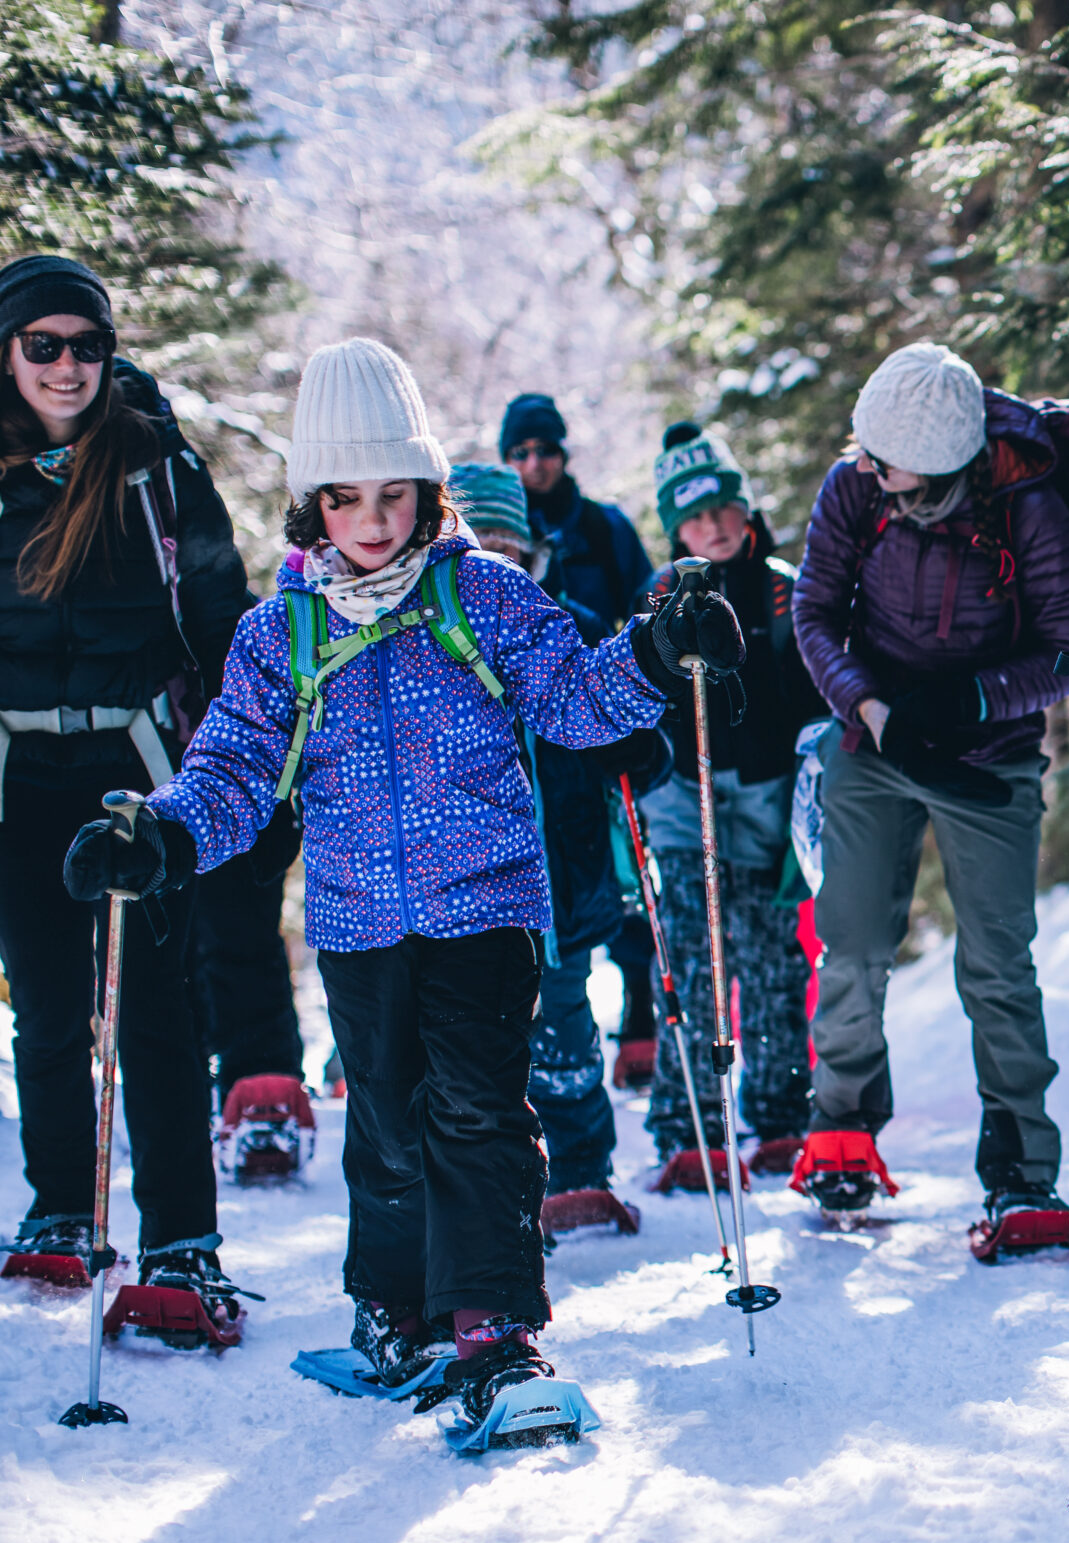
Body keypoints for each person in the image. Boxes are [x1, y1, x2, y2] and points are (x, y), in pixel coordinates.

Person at [66, 338, 743, 1436]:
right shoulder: (278, 633)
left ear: (427, 492)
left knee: (476, 1111)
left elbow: (574, 699)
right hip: (358, 917)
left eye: (394, 495)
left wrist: (658, 653)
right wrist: (162, 839)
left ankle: (494, 1330)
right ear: (311, 505)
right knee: (383, 1119)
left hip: (486, 903)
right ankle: (393, 1311)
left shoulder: (483, 594)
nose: (374, 521)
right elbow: (233, 770)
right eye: (347, 498)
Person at [793, 343, 1069, 1245]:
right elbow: (814, 613)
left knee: (998, 965)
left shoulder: (1027, 505)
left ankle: (1020, 1170)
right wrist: (876, 708)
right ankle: (842, 1129)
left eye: (887, 463)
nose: (868, 471)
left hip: (991, 754)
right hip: (874, 738)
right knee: (850, 941)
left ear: (937, 467)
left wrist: (968, 702)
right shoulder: (856, 485)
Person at [0, 254, 254, 1308]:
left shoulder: (157, 467)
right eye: (44, 346)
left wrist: (242, 763)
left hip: (139, 768)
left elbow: (223, 619)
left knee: (155, 1007)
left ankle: (182, 1241)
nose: (68, 367)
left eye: (88, 346)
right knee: (50, 1007)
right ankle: (64, 1204)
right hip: (19, 772)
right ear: (8, 353)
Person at [448, 460, 667, 1230]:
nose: (498, 568)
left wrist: (641, 747)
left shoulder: (563, 623)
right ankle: (498, 1183)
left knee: (567, 1022)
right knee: (482, 1041)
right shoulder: (431, 642)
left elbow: (619, 708)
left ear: (533, 555)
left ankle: (581, 1168)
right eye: (481, 552)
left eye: (510, 552)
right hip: (470, 886)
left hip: (562, 873)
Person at [637, 422, 824, 1184]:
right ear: (674, 527)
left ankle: (779, 1114)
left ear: (745, 510)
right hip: (685, 792)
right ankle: (689, 1124)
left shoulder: (784, 587)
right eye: (692, 516)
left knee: (771, 955)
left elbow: (813, 688)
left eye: (722, 509)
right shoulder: (656, 596)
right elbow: (636, 685)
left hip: (767, 790)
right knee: (688, 948)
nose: (711, 526)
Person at [498, 391, 652, 638]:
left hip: (602, 668)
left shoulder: (607, 526)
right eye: (520, 452)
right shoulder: (495, 535)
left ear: (562, 454)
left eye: (545, 449)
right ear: (506, 459)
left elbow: (647, 619)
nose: (534, 463)